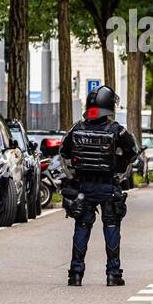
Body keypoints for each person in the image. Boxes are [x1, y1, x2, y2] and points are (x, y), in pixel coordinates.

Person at [59, 85, 138, 286]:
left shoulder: (76, 128)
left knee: (82, 227)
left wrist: (74, 176)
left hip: (84, 187)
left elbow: (64, 153)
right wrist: (119, 171)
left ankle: (75, 274)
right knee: (111, 227)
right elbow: (133, 153)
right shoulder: (117, 131)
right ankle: (113, 274)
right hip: (108, 187)